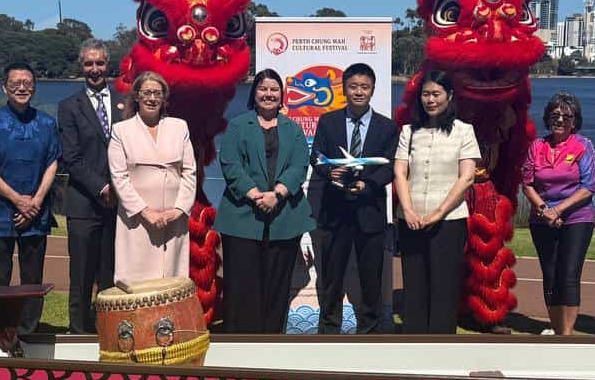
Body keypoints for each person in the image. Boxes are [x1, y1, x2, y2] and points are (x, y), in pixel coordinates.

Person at [214, 69, 316, 333]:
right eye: (263, 88)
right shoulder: (238, 126)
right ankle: (240, 341)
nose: (268, 94)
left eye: (273, 89)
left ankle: (271, 339)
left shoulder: (293, 129)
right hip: (242, 218)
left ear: (281, 95)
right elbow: (230, 164)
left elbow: (299, 165)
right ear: (254, 93)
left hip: (285, 218)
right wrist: (256, 195)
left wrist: (277, 194)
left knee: (277, 286)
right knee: (242, 286)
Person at [308, 62, 398, 335]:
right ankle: (329, 329)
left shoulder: (387, 127)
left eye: (365, 87)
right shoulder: (328, 121)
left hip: (370, 212)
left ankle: (369, 330)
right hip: (334, 211)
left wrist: (367, 184)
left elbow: (390, 167)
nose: (359, 92)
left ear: (372, 90)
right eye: (354, 86)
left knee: (371, 277)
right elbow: (316, 157)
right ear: (344, 89)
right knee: (331, 277)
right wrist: (329, 171)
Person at [0, 62, 61, 335]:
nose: (21, 88)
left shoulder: (47, 123)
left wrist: (35, 201)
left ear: (34, 87)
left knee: (32, 278)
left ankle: (29, 330)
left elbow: (53, 163)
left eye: (27, 83)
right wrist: (17, 199)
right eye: (15, 83)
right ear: (5, 88)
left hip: (35, 213)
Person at [392, 70, 479, 334]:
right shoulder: (409, 131)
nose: (430, 100)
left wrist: (438, 213)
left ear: (449, 96)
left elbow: (467, 177)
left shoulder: (464, 131)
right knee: (414, 285)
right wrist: (408, 210)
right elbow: (400, 172)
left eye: (436, 94)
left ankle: (442, 344)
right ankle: (414, 340)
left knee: (444, 287)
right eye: (426, 94)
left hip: (449, 222)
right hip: (411, 220)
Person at [57, 39, 126, 333]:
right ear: (81, 66)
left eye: (99, 63)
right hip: (84, 204)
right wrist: (102, 188)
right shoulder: (68, 107)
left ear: (107, 65)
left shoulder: (126, 102)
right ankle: (79, 333)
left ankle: (108, 332)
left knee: (111, 274)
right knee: (82, 277)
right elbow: (71, 157)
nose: (94, 69)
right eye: (89, 64)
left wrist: (119, 189)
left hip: (119, 205)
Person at [521, 92, 595, 336]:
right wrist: (544, 209)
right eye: (555, 115)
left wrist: (559, 209)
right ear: (548, 118)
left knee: (569, 274)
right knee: (550, 273)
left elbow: (589, 186)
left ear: (575, 121)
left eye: (567, 116)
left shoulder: (583, 146)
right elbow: (527, 183)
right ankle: (556, 329)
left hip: (576, 218)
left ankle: (567, 333)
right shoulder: (537, 146)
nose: (560, 120)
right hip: (542, 219)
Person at [108, 71, 196, 283]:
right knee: (137, 281)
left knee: (172, 280)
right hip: (137, 220)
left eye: (157, 93)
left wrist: (178, 210)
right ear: (137, 96)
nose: (152, 98)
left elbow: (189, 172)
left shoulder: (179, 126)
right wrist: (145, 212)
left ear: (164, 98)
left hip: (174, 221)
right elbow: (119, 177)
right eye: (147, 92)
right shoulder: (121, 131)